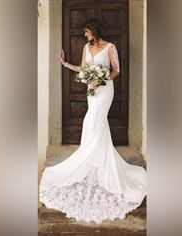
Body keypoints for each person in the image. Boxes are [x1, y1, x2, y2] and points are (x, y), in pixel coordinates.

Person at [39, 18, 147, 224]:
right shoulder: (86, 48)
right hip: (91, 92)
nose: (85, 36)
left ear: (94, 31)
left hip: (105, 90)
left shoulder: (110, 47)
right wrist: (65, 64)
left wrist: (101, 80)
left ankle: (93, 160)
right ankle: (93, 162)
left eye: (87, 33)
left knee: (94, 122)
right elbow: (82, 69)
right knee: (94, 124)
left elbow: (116, 70)